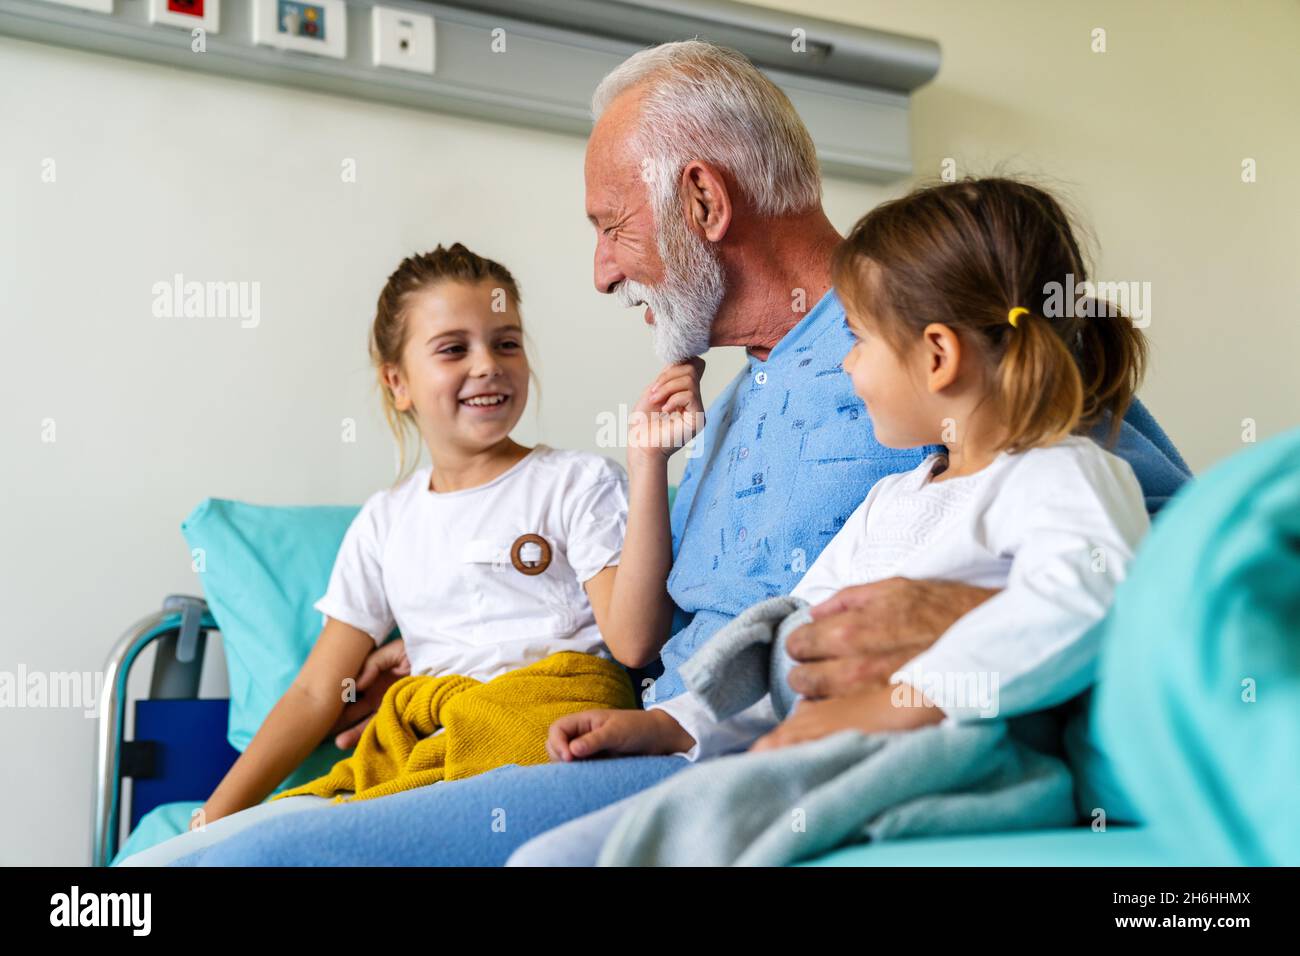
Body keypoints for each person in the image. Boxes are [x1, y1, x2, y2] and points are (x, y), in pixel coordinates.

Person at [174, 42, 1190, 868]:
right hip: (665, 734)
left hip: (802, 746)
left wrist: (964, 614)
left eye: (612, 226)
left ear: (703, 202)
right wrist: (454, 634)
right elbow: (635, 627)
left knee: (234, 867)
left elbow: (1188, 567)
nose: (601, 268)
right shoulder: (717, 411)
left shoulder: (958, 349)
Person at [119, 242, 694, 865]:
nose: (488, 366)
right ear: (398, 383)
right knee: (185, 858)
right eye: (454, 349)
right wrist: (210, 818)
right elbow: (318, 693)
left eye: (507, 342)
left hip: (543, 722)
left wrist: (646, 467)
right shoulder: (385, 523)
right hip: (432, 739)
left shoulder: (577, 482)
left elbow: (634, 645)